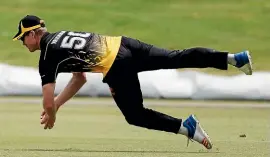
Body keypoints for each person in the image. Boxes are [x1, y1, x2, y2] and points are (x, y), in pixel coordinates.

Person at [13, 15, 253, 150]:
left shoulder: (47, 56)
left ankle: (187, 127)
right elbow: (80, 77)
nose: (24, 44)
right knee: (175, 57)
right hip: (125, 44)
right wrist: (56, 106)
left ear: (33, 34)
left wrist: (51, 113)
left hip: (116, 63)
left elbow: (46, 101)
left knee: (135, 116)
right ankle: (234, 58)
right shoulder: (61, 37)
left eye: (23, 38)